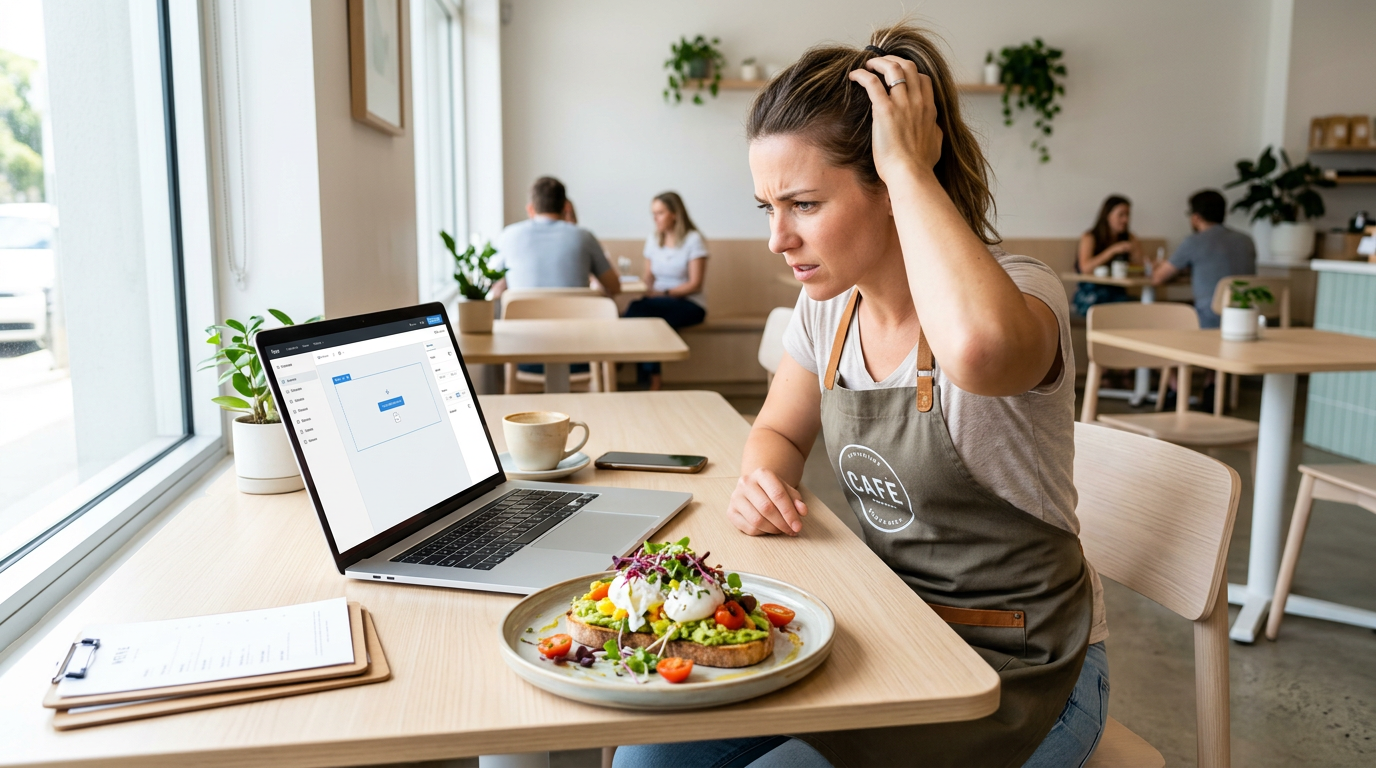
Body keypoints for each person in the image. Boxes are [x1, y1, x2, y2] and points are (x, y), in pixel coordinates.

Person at [614, 23, 1107, 768]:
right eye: (766, 207)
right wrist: (763, 479)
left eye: (804, 204)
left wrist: (912, 168)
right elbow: (777, 431)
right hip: (885, 629)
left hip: (1021, 668)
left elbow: (977, 355)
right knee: (648, 756)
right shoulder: (827, 310)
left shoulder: (1018, 292)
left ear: (891, 182)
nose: (778, 237)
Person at [623, 192, 709, 389]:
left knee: (640, 312)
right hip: (659, 303)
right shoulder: (653, 239)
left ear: (675, 214)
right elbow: (649, 276)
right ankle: (652, 380)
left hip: (689, 304)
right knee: (644, 317)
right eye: (653, 213)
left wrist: (664, 294)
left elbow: (695, 284)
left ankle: (638, 373)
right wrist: (648, 290)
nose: (655, 218)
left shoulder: (693, 240)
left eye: (660, 213)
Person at [490, 176, 620, 298]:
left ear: (530, 209)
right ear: (566, 207)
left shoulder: (508, 236)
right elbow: (614, 287)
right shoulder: (584, 237)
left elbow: (491, 284)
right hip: (575, 320)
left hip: (523, 321)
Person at [1147, 189, 1256, 329]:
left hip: (1210, 319)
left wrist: (1157, 266)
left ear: (1196, 217)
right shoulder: (1246, 240)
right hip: (1247, 317)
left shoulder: (1193, 242)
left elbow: (1157, 278)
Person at [1071, 195, 1140, 317]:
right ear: (1107, 215)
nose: (1125, 220)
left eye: (1128, 215)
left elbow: (1142, 266)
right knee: (1115, 310)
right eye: (1121, 215)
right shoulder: (1090, 237)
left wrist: (1135, 252)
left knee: (1138, 307)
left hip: (1117, 293)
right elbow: (1085, 268)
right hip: (1091, 293)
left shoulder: (1129, 237)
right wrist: (1112, 250)